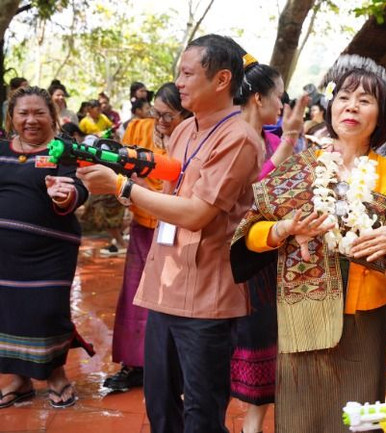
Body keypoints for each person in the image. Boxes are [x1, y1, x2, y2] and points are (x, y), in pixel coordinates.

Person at [77, 34, 261, 433]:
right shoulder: (184, 130)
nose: (178, 81)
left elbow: (196, 214)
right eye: (179, 71)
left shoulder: (239, 139)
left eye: (187, 72)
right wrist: (128, 192)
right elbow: (171, 191)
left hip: (207, 296)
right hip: (165, 285)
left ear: (221, 79)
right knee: (159, 401)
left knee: (202, 409)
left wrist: (123, 188)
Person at [231, 66, 386, 433]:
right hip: (301, 314)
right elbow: (250, 233)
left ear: (380, 114)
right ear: (331, 107)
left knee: (356, 421)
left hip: (362, 317)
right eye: (344, 98)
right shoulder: (299, 168)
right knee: (299, 421)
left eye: (364, 100)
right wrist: (284, 229)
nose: (351, 106)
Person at [0, 86, 93, 409]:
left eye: (39, 112)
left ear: (52, 117)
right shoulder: (2, 150)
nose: (30, 120)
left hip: (50, 254)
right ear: (11, 117)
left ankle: (56, 375)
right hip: (4, 256)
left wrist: (67, 194)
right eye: (22, 113)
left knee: (47, 311)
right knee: (8, 313)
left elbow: (79, 187)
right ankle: (19, 380)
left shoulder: (64, 151)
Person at [229, 55, 308, 433]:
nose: (283, 104)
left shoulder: (275, 139)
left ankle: (254, 422)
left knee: (262, 339)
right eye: (278, 96)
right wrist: (290, 142)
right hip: (226, 259)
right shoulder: (224, 137)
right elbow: (249, 190)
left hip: (266, 258)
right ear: (257, 98)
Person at [102, 83, 192, 392]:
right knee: (135, 295)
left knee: (174, 300)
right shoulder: (139, 129)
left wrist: (141, 191)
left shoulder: (194, 139)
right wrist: (129, 190)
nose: (162, 122)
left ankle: (171, 366)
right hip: (144, 226)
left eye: (170, 116)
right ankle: (133, 365)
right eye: (158, 113)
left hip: (179, 230)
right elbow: (122, 171)